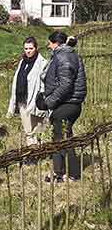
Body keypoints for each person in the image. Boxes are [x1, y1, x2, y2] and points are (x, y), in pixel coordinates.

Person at [37, 31, 86, 182]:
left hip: (68, 104)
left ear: (55, 43)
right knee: (59, 138)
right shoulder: (69, 54)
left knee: (64, 139)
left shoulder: (63, 56)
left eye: (50, 42)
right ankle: (59, 172)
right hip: (69, 103)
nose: (48, 45)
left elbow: (65, 84)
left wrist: (49, 102)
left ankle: (73, 174)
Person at [7, 36, 48, 145]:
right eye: (26, 49)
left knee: (38, 129)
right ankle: (32, 153)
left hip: (36, 101)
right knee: (28, 130)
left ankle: (40, 152)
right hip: (22, 100)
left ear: (36, 48)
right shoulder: (22, 62)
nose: (28, 51)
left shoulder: (42, 63)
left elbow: (45, 82)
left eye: (30, 48)